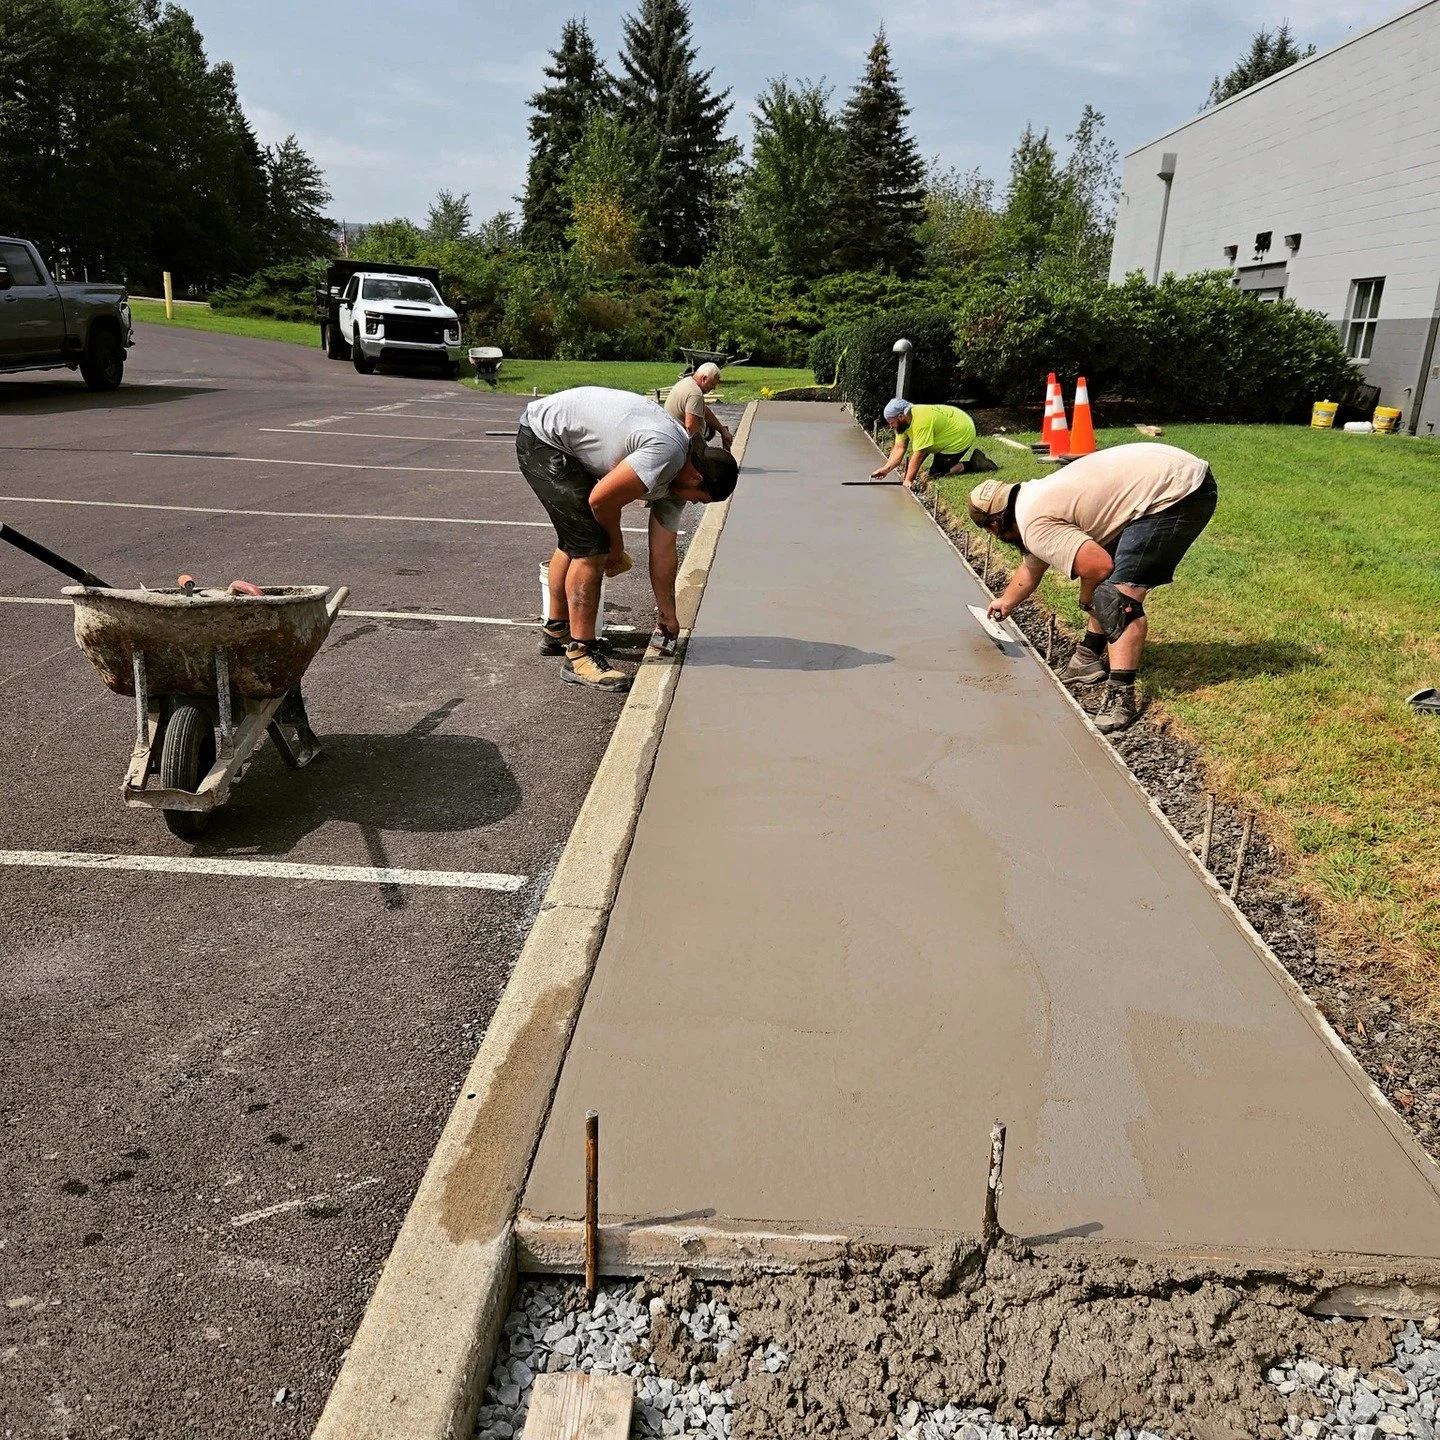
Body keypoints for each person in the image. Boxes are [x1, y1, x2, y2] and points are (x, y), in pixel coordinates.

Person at [966, 443, 1218, 735]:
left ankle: (1121, 695)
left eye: (990, 531)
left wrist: (1088, 598)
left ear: (996, 524)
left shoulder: (1034, 524)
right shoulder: (1031, 501)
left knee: (1117, 597)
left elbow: (1097, 567)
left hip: (1178, 492)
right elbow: (1032, 566)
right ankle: (1087, 660)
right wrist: (1006, 602)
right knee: (1105, 586)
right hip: (1163, 476)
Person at [517, 386, 739, 692]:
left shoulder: (678, 482)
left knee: (578, 535)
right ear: (696, 478)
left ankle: (557, 631)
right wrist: (616, 546)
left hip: (562, 436)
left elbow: (663, 551)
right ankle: (580, 656)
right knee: (592, 547)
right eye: (699, 499)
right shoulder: (667, 454)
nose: (693, 503)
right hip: (544, 438)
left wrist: (668, 612)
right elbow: (601, 501)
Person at [870, 398, 984, 487]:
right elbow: (899, 448)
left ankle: (975, 464)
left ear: (901, 416)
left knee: (937, 474)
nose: (890, 426)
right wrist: (886, 469)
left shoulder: (921, 422)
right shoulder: (902, 424)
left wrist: (908, 480)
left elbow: (919, 453)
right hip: (947, 427)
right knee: (916, 462)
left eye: (891, 423)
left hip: (961, 433)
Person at [664, 362, 732, 450]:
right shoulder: (695, 393)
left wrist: (722, 430)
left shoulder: (687, 381)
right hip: (678, 444)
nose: (714, 388)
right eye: (712, 384)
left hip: (670, 435)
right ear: (704, 378)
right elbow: (691, 427)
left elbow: (704, 411)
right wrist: (701, 451)